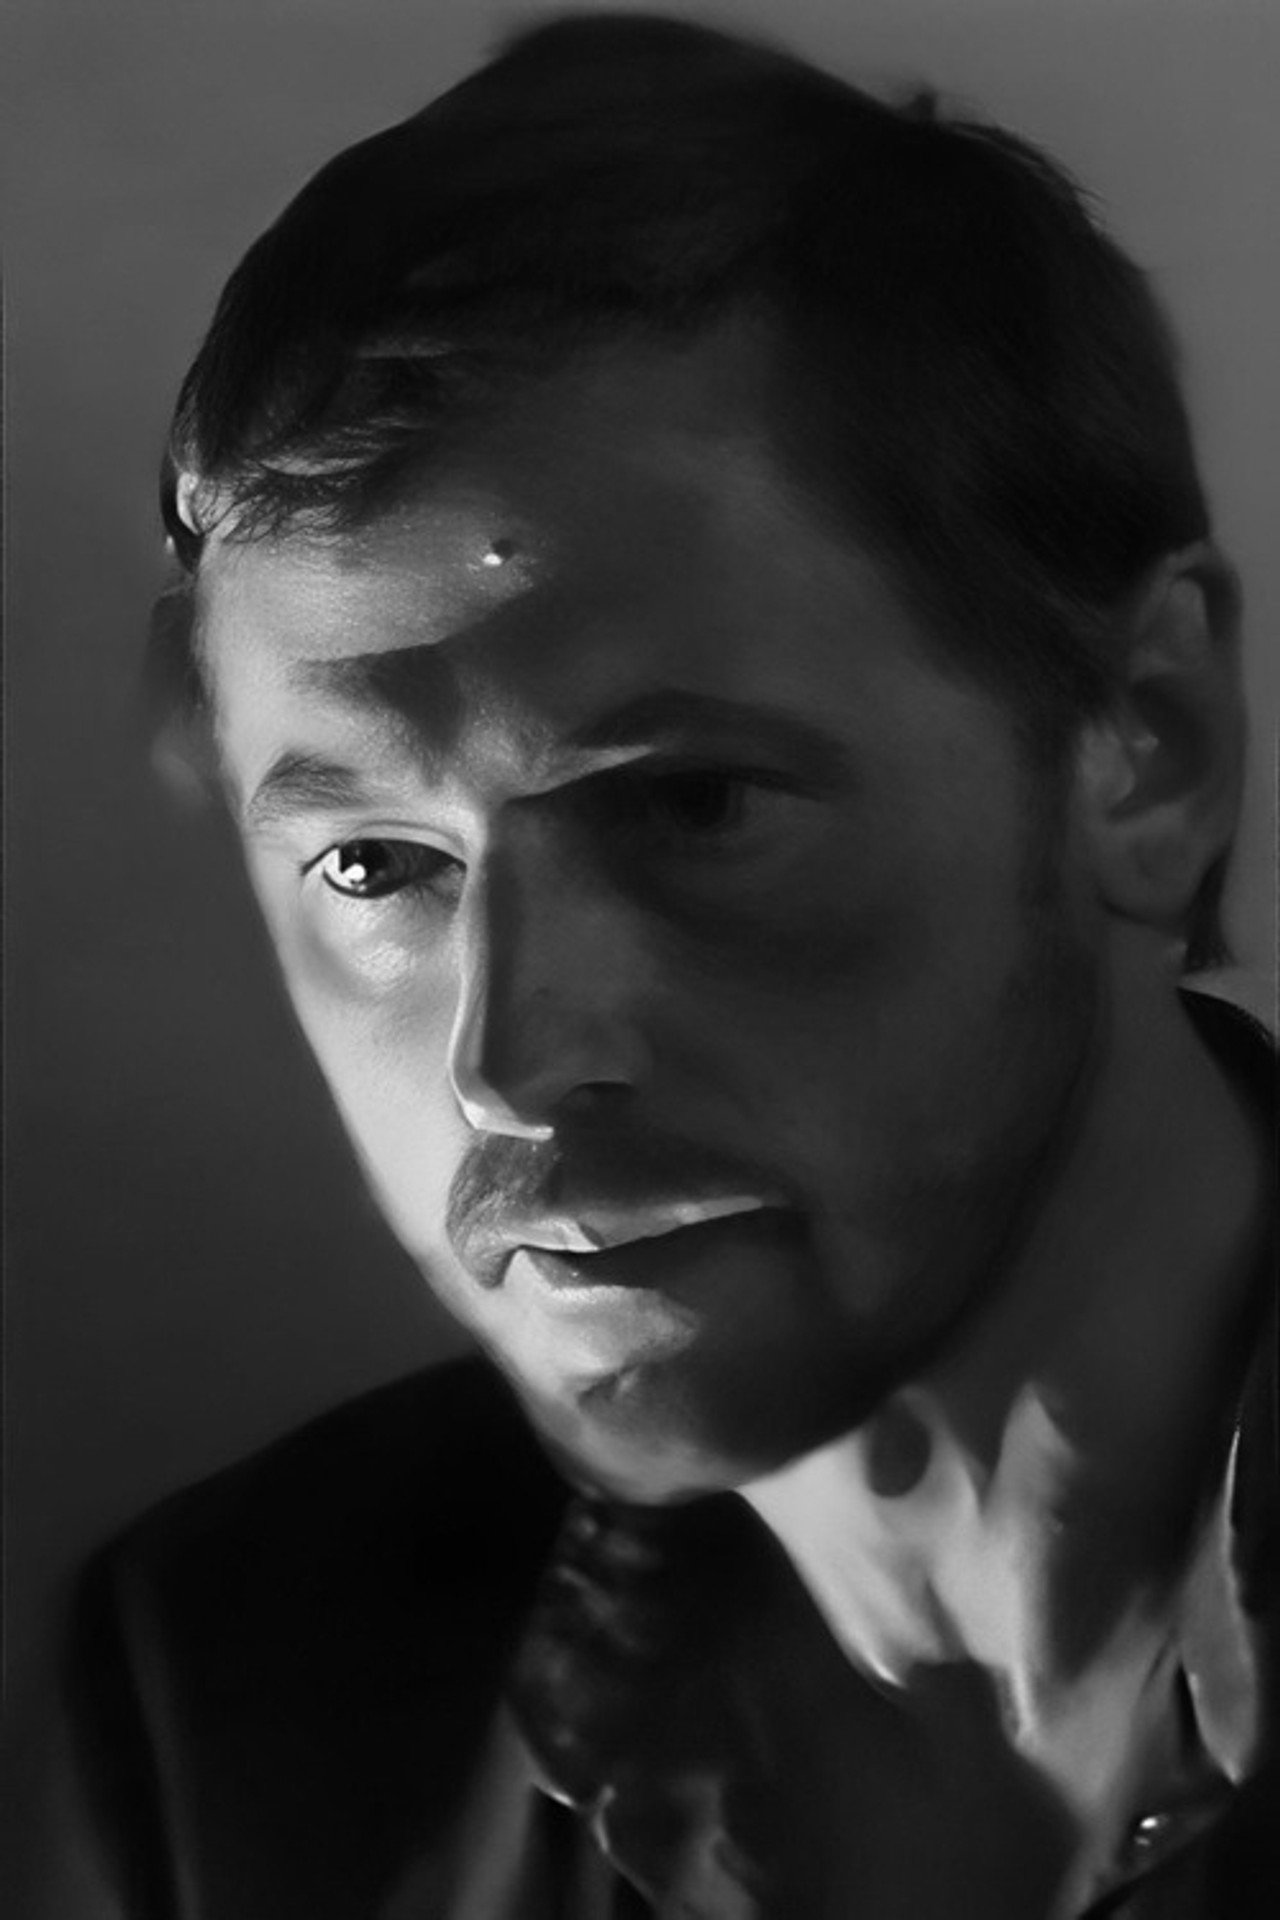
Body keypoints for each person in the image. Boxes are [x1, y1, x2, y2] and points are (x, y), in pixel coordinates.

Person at [6, 11, 1274, 1916]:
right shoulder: (225, 1713)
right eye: (373, 863)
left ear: (1146, 744)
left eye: (689, 805)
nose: (506, 1062)